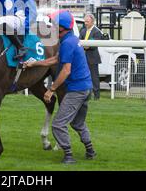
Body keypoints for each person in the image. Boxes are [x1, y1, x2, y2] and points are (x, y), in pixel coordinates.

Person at [24, 10, 96, 164]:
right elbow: (55, 59)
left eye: (54, 26)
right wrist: (34, 63)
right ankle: (90, 150)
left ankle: (69, 155)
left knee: (58, 124)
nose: (52, 29)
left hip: (76, 91)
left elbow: (65, 70)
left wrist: (51, 89)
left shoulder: (68, 43)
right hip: (85, 88)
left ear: (61, 28)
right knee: (78, 123)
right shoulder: (70, 40)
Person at [80, 13, 103, 100]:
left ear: (92, 22)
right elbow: (79, 41)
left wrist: (87, 46)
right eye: (85, 21)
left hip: (92, 58)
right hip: (83, 58)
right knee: (84, 77)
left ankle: (97, 96)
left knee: (94, 78)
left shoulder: (97, 31)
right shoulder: (82, 30)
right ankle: (86, 95)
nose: (85, 23)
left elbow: (94, 45)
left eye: (87, 21)